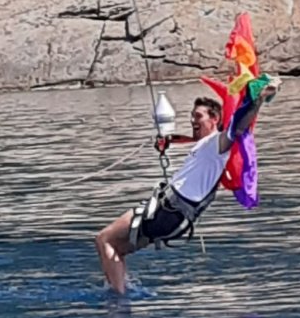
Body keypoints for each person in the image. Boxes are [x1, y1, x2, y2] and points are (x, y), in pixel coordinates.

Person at [95, 85, 279, 294]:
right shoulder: (203, 146)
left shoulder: (217, 145)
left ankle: (118, 301)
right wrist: (169, 141)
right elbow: (187, 139)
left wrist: (258, 100)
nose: (192, 120)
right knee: (114, 249)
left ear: (214, 119)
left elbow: (238, 126)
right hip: (174, 218)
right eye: (191, 116)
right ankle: (119, 291)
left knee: (104, 239)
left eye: (198, 116)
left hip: (168, 212)